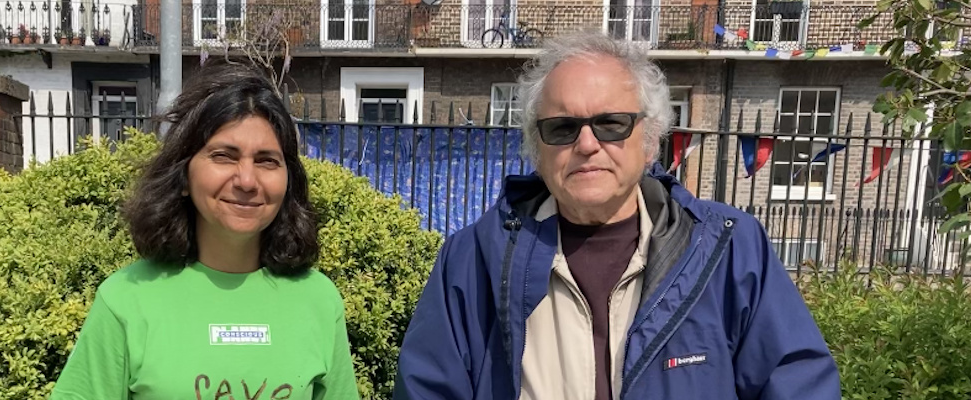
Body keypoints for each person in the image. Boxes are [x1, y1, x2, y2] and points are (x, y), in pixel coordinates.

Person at [392, 31, 840, 400]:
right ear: (537, 147)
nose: (586, 144)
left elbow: (797, 385)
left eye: (611, 123)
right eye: (562, 128)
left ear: (651, 138)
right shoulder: (473, 261)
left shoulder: (729, 249)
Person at [51, 61, 360, 400]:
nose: (246, 180)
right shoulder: (126, 299)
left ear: (288, 181)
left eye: (267, 160)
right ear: (183, 176)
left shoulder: (317, 300)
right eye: (224, 156)